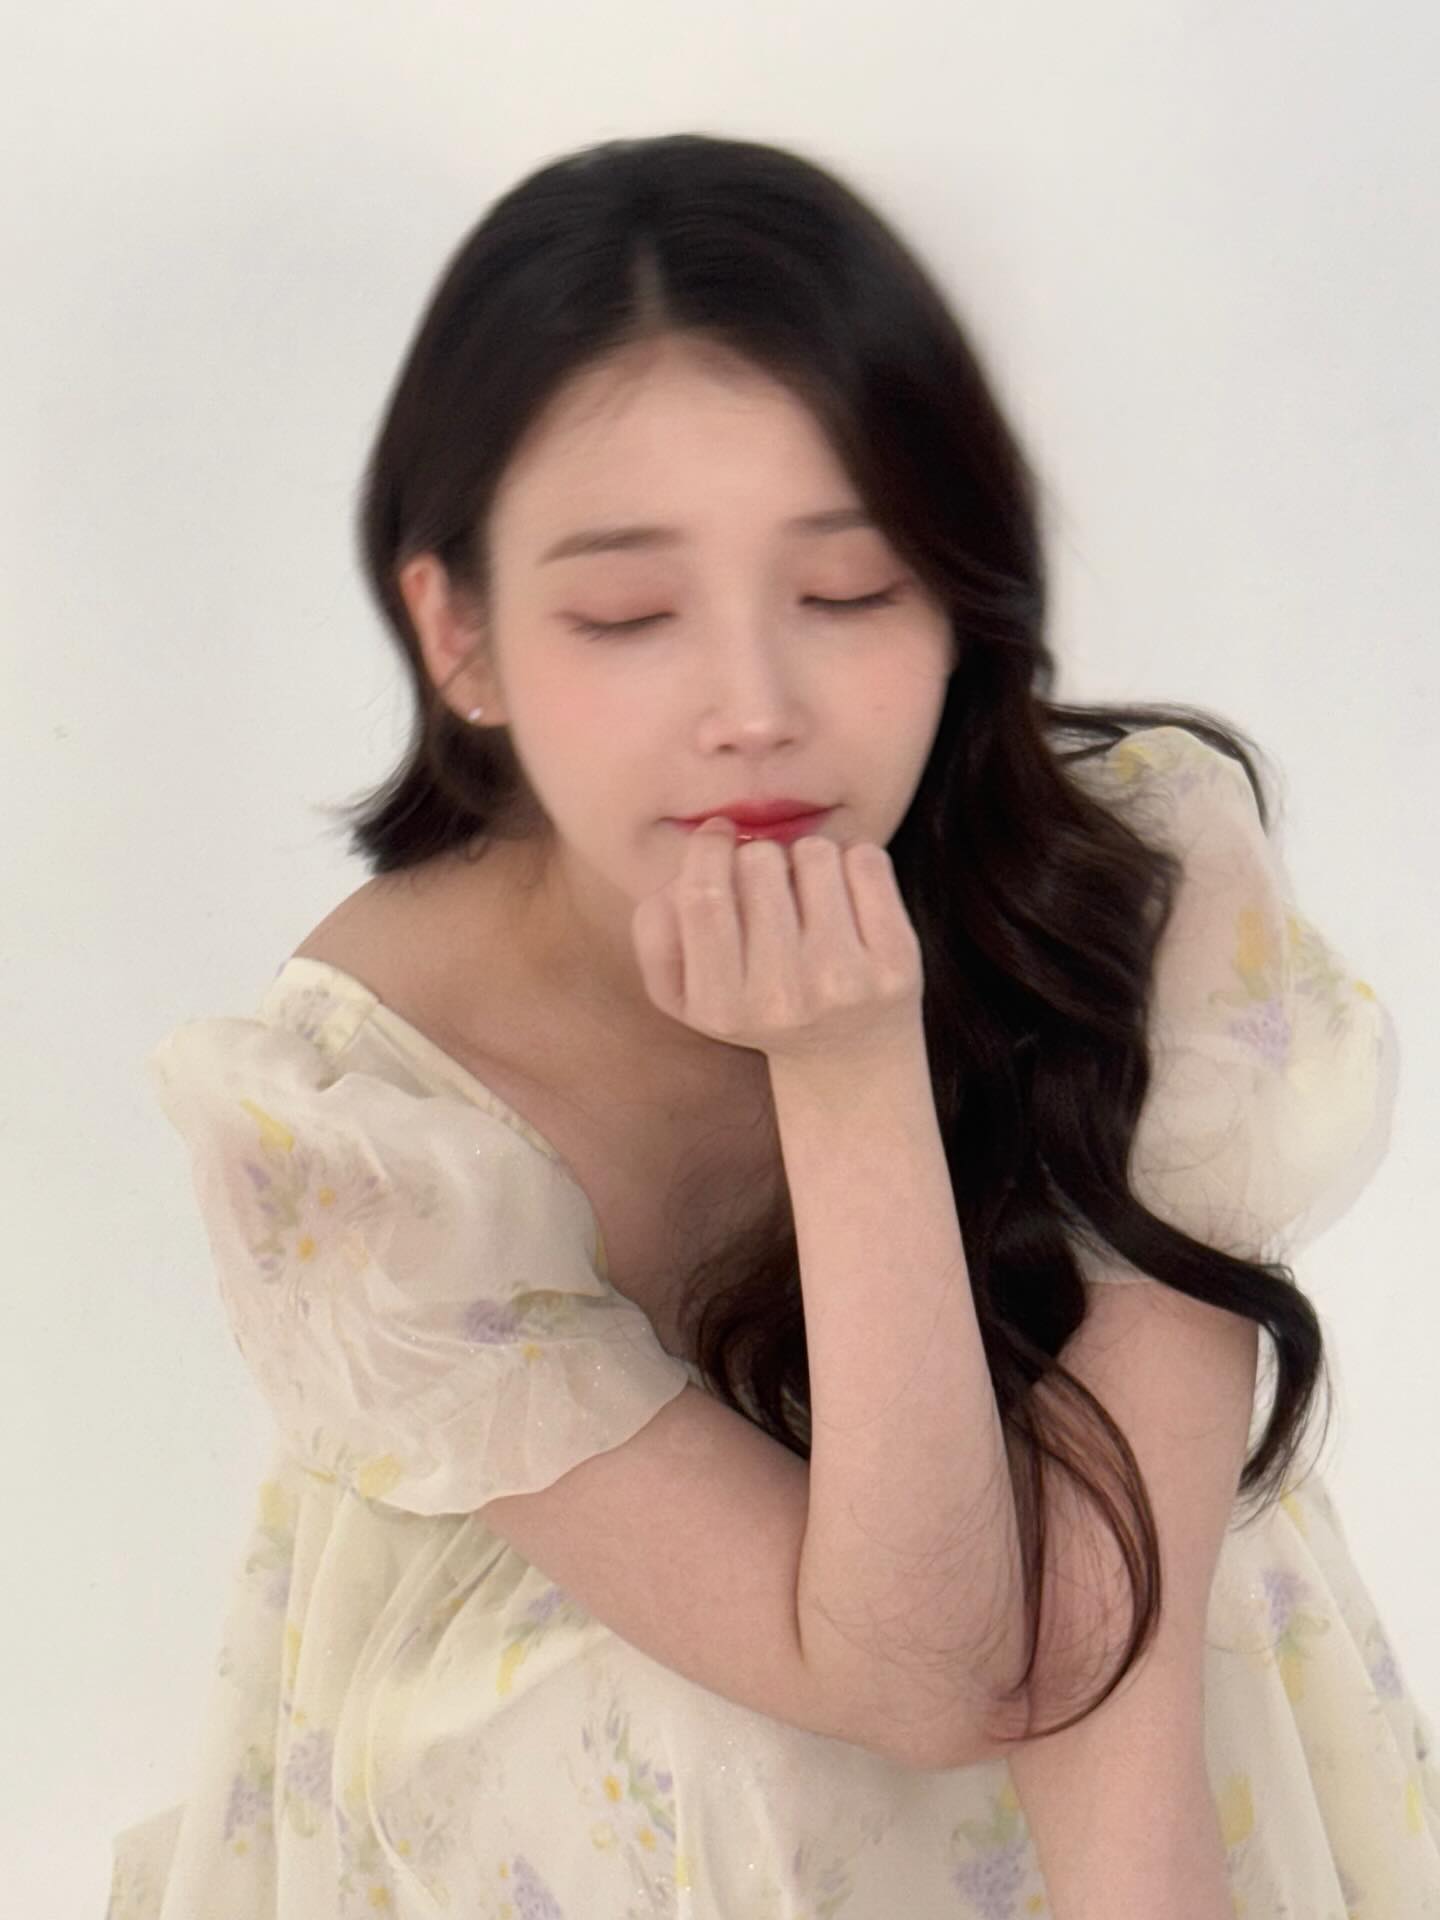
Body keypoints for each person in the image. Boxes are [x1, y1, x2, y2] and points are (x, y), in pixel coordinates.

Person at [106, 133, 1440, 1918]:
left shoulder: (1131, 886)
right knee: (722, 1725)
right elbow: (918, 1677)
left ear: (961, 601)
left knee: (1201, 1565)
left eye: (848, 591)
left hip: (1087, 1647)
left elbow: (1111, 1664)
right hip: (594, 1777)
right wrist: (845, 1069)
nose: (754, 706)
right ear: (461, 635)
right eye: (628, 613)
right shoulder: (362, 1118)